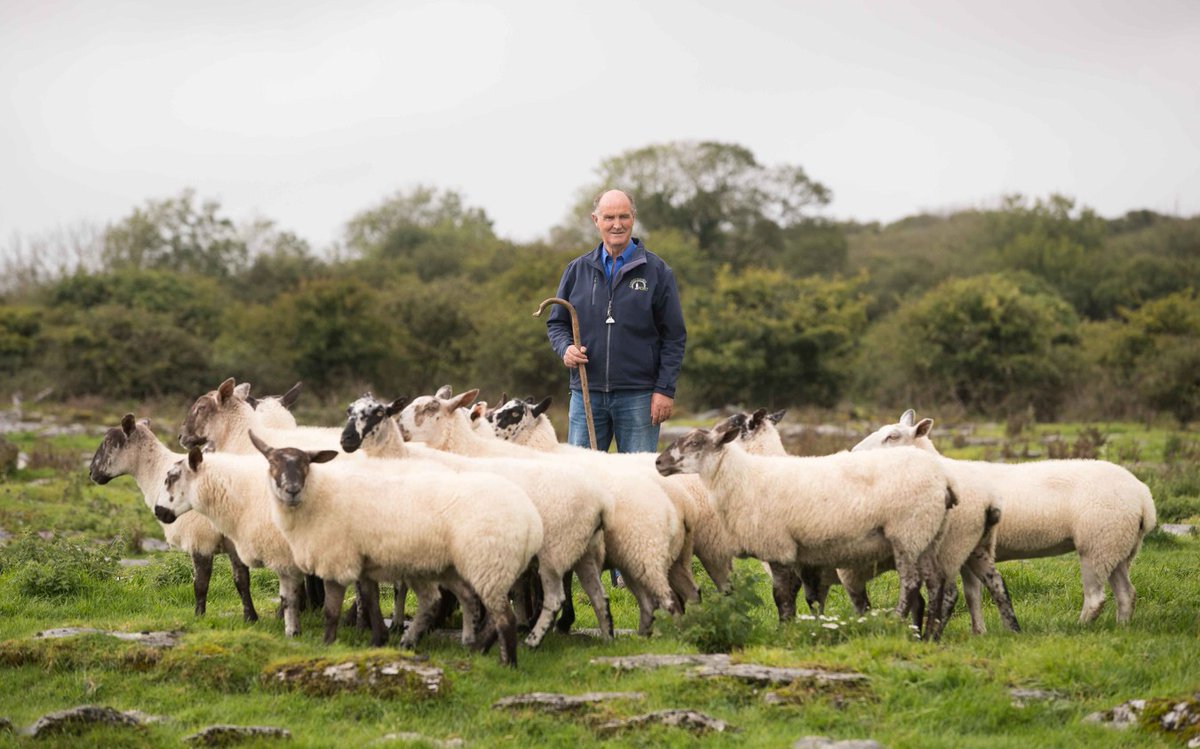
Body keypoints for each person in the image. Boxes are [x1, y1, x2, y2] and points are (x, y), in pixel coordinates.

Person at [546, 188, 686, 454]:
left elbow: (674, 336)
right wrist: (565, 349)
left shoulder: (657, 271)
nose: (617, 224)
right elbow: (557, 323)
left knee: (638, 482)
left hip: (639, 396)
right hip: (586, 394)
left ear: (633, 217)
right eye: (609, 217)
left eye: (624, 216)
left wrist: (664, 390)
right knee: (582, 479)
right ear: (595, 220)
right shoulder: (577, 270)